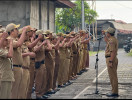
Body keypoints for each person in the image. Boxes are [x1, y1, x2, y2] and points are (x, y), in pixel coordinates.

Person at [102, 27, 119, 97]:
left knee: (113, 76)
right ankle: (113, 90)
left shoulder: (112, 41)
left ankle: (114, 92)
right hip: (110, 58)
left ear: (109, 33)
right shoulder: (112, 39)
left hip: (111, 58)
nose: (106, 34)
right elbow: (106, 40)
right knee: (112, 76)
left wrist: (111, 61)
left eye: (107, 33)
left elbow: (113, 52)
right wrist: (104, 35)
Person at [0, 32, 14, 99]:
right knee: (3, 96)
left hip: (8, 76)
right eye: (6, 39)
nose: (7, 41)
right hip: (3, 77)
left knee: (8, 96)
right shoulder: (1, 50)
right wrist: (11, 44)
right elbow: (10, 55)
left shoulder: (5, 49)